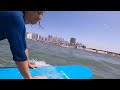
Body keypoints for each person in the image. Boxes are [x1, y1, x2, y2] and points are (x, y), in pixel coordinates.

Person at [0, 11, 47, 79]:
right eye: (39, 12)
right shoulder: (15, 16)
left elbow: (23, 46)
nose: (40, 17)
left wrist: (28, 63)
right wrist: (29, 78)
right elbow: (19, 53)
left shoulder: (18, 18)